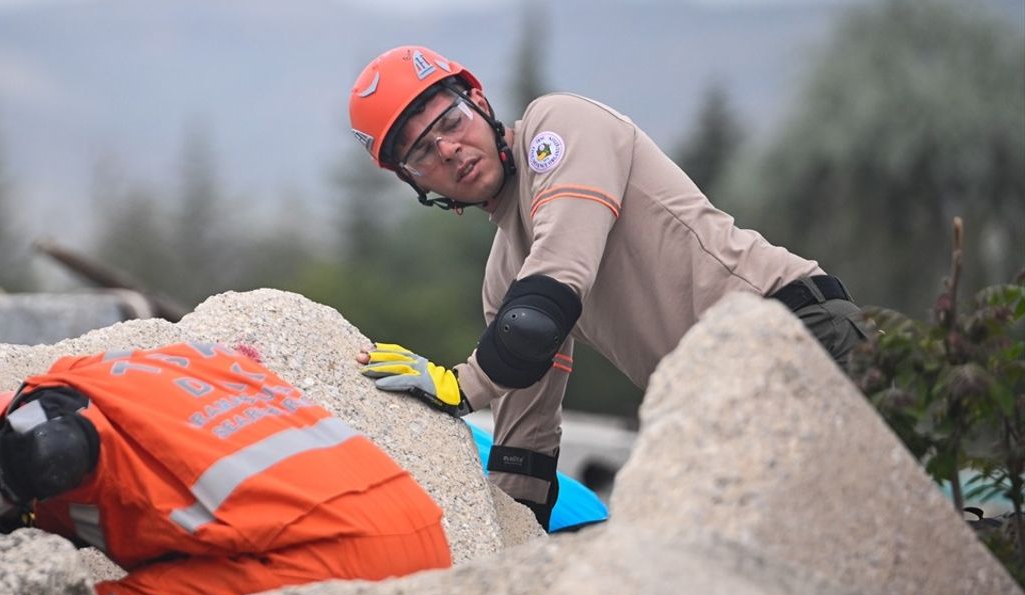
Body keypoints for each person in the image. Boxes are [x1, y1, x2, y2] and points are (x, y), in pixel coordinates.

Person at [347, 45, 868, 528]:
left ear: (479, 102)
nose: (449, 149)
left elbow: (551, 293)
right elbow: (522, 455)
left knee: (916, 548)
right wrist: (494, 552)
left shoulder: (560, 128)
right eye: (421, 153)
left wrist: (463, 385)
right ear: (414, 182)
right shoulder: (505, 277)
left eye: (451, 121)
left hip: (798, 338)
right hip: (721, 406)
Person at [0, 341, 451, 595]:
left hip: (332, 558)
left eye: (26, 520)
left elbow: (50, 449)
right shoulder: (161, 372)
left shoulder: (45, 410)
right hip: (426, 537)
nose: (36, 530)